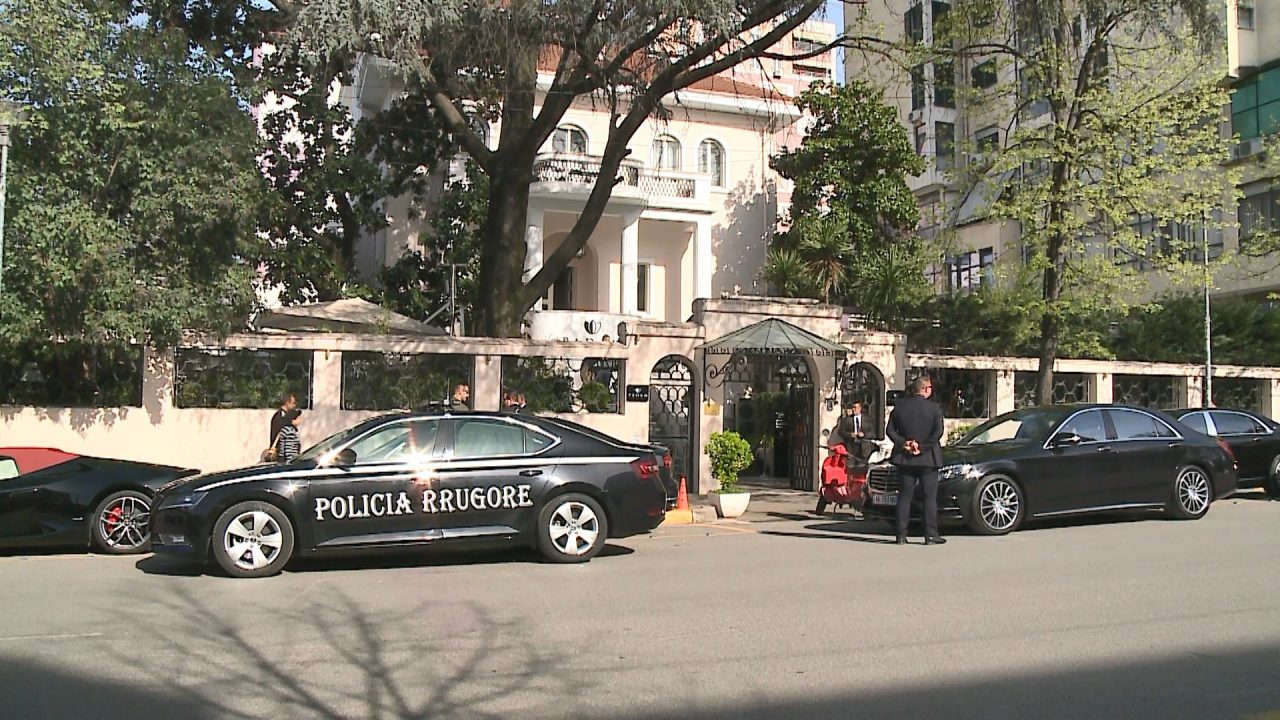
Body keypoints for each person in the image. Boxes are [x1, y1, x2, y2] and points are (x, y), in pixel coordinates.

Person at [886, 375, 946, 546]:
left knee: (904, 496)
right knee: (929, 497)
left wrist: (903, 443)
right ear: (925, 389)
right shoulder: (934, 408)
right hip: (928, 458)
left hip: (905, 458)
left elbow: (890, 430)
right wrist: (922, 446)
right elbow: (938, 432)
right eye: (930, 388)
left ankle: (901, 535)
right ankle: (930, 535)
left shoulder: (900, 406)